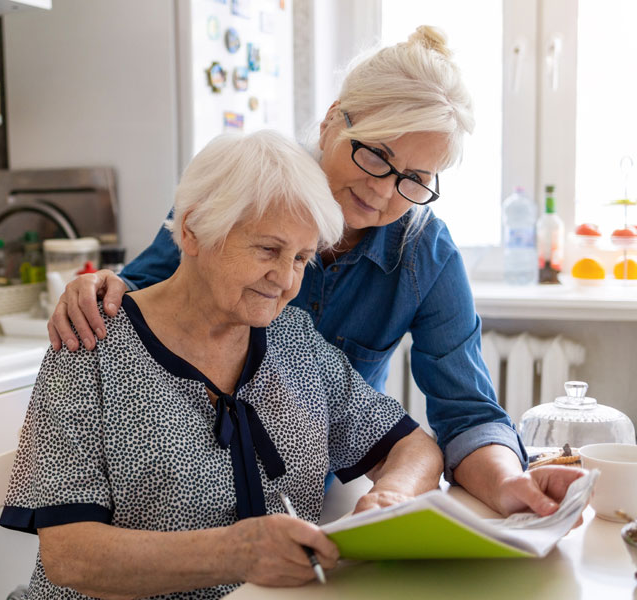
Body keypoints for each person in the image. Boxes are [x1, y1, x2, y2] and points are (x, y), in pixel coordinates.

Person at [47, 26, 585, 519]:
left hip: (314, 494)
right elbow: (144, 296)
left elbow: (466, 413)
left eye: (414, 178)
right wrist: (98, 286)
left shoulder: (426, 253)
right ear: (333, 121)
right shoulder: (245, 190)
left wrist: (509, 482)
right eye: (376, 154)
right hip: (186, 495)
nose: (381, 189)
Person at [0, 130, 445, 599]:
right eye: (268, 250)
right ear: (192, 230)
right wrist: (235, 553)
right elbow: (70, 555)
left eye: (301, 258)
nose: (285, 279)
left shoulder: (294, 341)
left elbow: (415, 447)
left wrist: (390, 497)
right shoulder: (92, 343)